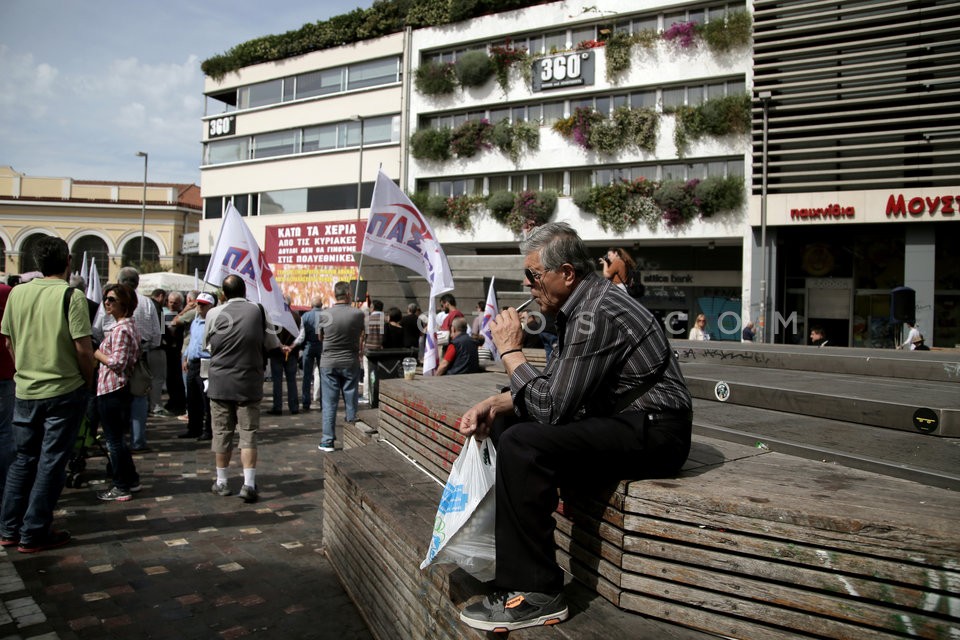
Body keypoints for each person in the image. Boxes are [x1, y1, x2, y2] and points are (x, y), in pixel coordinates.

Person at [456, 222, 692, 632]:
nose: (528, 286)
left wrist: (510, 349)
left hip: (657, 431)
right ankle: (514, 565)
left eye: (532, 276)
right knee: (505, 423)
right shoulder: (580, 308)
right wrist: (496, 402)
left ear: (565, 274)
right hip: (621, 420)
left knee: (524, 444)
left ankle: (537, 591)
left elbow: (550, 408)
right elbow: (560, 390)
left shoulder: (596, 313)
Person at [0, 237, 94, 552]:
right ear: (68, 261)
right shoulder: (71, 295)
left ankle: (9, 528)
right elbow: (84, 349)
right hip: (63, 389)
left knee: (23, 459)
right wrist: (87, 379)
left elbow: (9, 342)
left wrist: (24, 369)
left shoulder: (17, 293)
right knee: (51, 461)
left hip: (25, 389)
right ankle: (34, 531)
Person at [204, 275, 279, 503]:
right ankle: (248, 484)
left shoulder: (213, 314)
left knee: (221, 432)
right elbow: (272, 343)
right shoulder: (258, 310)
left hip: (220, 382)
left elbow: (206, 346)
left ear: (223, 294)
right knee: (248, 434)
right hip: (248, 381)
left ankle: (223, 482)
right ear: (245, 291)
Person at [93, 267, 161, 452]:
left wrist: (104, 348)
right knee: (138, 397)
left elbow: (96, 330)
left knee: (118, 399)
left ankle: (117, 442)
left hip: (114, 359)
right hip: (140, 356)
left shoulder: (112, 303)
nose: (108, 302)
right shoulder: (147, 303)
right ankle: (137, 440)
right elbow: (157, 335)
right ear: (137, 283)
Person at [93, 283, 142, 502]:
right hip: (113, 388)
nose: (107, 303)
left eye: (112, 299)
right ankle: (131, 479)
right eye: (106, 299)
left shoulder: (122, 329)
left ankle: (121, 485)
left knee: (114, 441)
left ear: (125, 302)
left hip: (113, 388)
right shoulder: (123, 326)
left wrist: (96, 353)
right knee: (117, 439)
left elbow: (118, 362)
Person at [318, 281, 365, 453]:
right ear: (348, 294)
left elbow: (320, 337)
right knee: (351, 401)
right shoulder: (358, 314)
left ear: (334, 294)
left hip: (329, 362)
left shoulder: (324, 314)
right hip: (350, 361)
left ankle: (327, 440)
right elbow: (362, 335)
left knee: (329, 403)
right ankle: (352, 439)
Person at [180, 293, 216, 440]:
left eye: (203, 304)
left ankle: (208, 430)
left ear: (210, 307)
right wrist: (186, 357)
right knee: (192, 397)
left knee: (205, 398)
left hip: (206, 361)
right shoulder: (195, 321)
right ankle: (193, 428)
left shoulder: (212, 322)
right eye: (198, 304)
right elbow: (192, 341)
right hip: (193, 361)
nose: (199, 307)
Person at [290, 295, 324, 412]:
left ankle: (306, 402)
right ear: (322, 305)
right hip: (322, 347)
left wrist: (296, 346)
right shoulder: (327, 315)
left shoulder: (305, 316)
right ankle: (323, 402)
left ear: (311, 305)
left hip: (308, 347)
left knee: (306, 376)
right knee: (323, 375)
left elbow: (302, 335)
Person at [268, 297, 301, 416]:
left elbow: (271, 334)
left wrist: (281, 346)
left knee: (277, 381)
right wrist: (291, 346)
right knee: (291, 380)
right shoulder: (296, 317)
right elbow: (301, 335)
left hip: (277, 352)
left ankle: (277, 407)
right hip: (292, 353)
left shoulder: (275, 317)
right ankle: (294, 407)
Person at [0, 283, 16, 505]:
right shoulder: (6, 292)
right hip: (5, 370)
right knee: (5, 434)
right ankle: (5, 490)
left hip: (6, 373)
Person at [161, 290, 187, 416]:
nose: (172, 305)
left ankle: (179, 401)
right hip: (168, 349)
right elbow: (161, 330)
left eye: (175, 303)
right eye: (171, 302)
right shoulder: (162, 314)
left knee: (178, 378)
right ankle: (172, 400)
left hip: (179, 350)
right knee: (170, 377)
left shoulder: (183, 315)